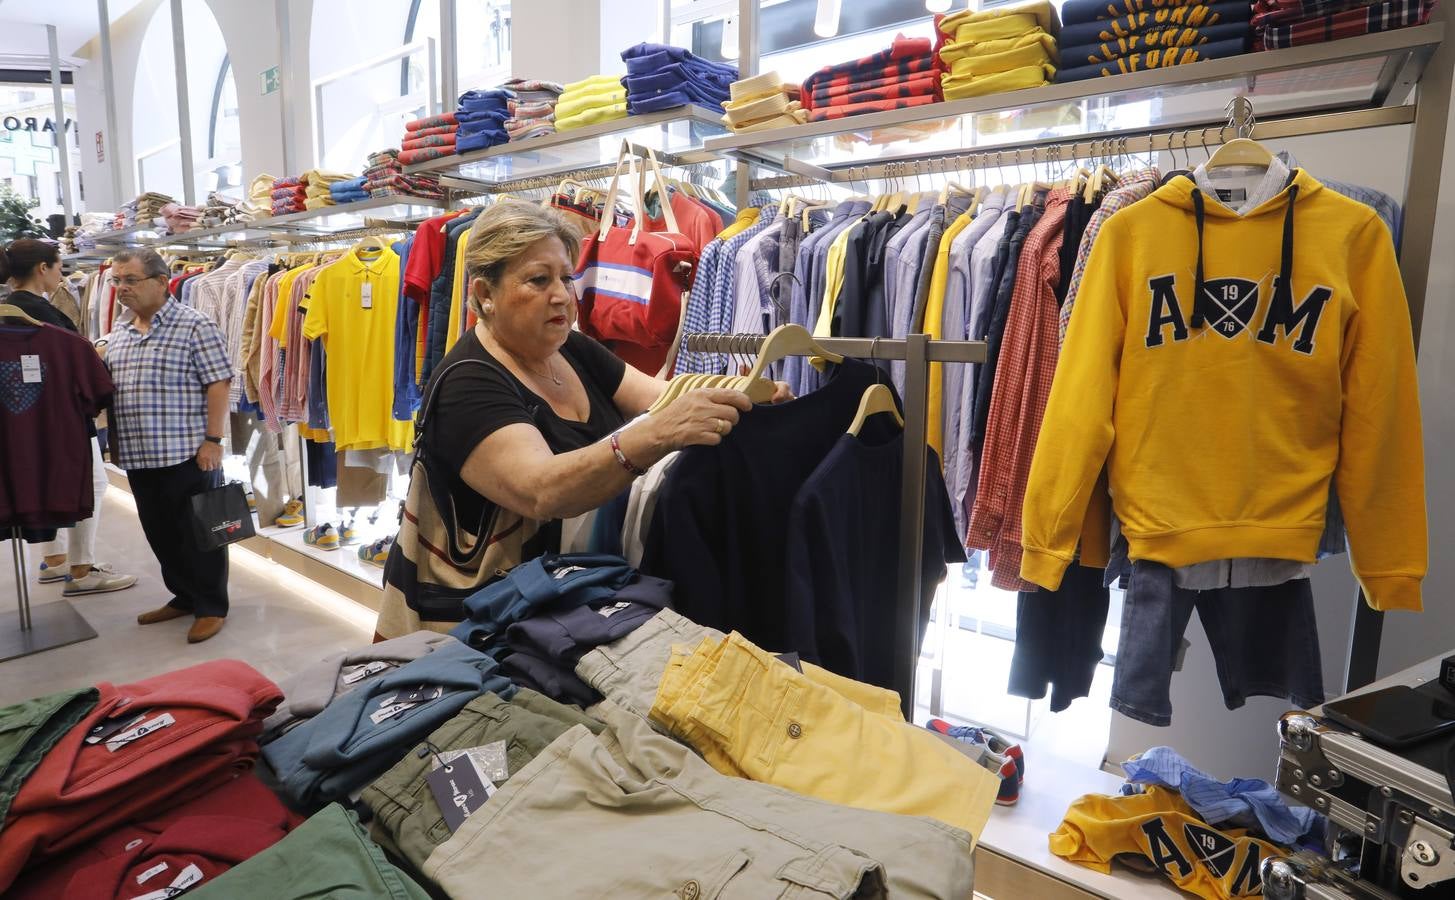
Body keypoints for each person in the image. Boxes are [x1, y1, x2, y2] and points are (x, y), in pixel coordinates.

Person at [378, 201, 791, 638]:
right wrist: (655, 434)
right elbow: (543, 490)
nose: (561, 295)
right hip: (495, 625)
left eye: (566, 277)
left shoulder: (567, 348)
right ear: (484, 295)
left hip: (573, 602)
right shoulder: (468, 383)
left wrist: (740, 392)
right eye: (539, 280)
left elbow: (660, 395)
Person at [105, 248, 234, 643]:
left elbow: (219, 383)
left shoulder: (195, 325)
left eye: (130, 280)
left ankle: (212, 605)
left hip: (187, 452)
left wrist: (213, 440)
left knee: (200, 533)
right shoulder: (119, 332)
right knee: (159, 532)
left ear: (161, 282)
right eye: (117, 281)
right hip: (139, 455)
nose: (121, 288)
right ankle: (183, 595)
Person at [1, 238, 137, 596]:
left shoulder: (15, 308)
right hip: (63, 418)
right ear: (42, 268)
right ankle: (81, 568)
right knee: (88, 483)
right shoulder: (41, 315)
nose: (63, 276)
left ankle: (55, 559)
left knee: (50, 479)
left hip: (27, 421)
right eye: (59, 267)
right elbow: (75, 361)